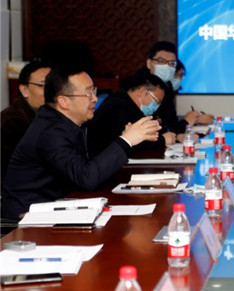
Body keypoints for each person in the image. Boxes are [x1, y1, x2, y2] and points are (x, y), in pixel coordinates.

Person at [1, 67, 161, 220]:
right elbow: (86, 178)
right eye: (88, 94)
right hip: (27, 218)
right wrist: (126, 140)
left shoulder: (67, 124)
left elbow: (90, 167)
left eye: (94, 91)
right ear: (64, 101)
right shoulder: (49, 132)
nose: (95, 99)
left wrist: (126, 139)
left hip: (58, 207)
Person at [86, 72, 176, 157]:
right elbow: (127, 142)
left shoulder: (130, 106)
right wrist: (162, 140)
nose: (157, 106)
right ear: (142, 91)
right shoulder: (118, 107)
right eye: (157, 101)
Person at [143, 42, 212, 136]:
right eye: (161, 61)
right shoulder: (142, 86)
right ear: (149, 63)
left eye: (171, 63)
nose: (166, 67)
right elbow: (155, 130)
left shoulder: (167, 86)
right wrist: (185, 122)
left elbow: (170, 122)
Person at [1, 61, 51, 180]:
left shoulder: (45, 114)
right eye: (43, 86)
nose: (51, 92)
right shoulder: (12, 123)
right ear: (24, 90)